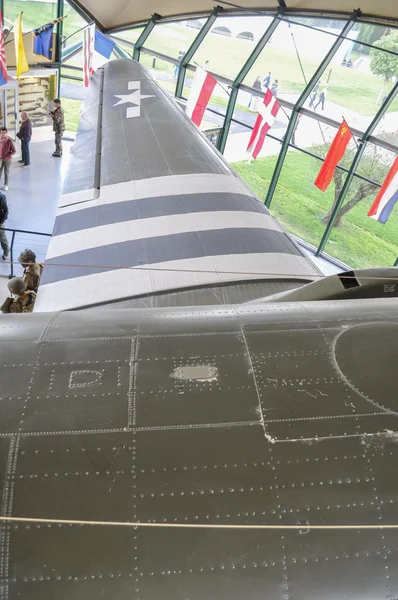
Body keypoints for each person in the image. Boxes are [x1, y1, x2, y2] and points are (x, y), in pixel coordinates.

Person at [0, 191, 9, 261]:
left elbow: (6, 211)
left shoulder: (1, 197)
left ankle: (6, 253)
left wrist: (1, 221)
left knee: (3, 237)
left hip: (0, 221)